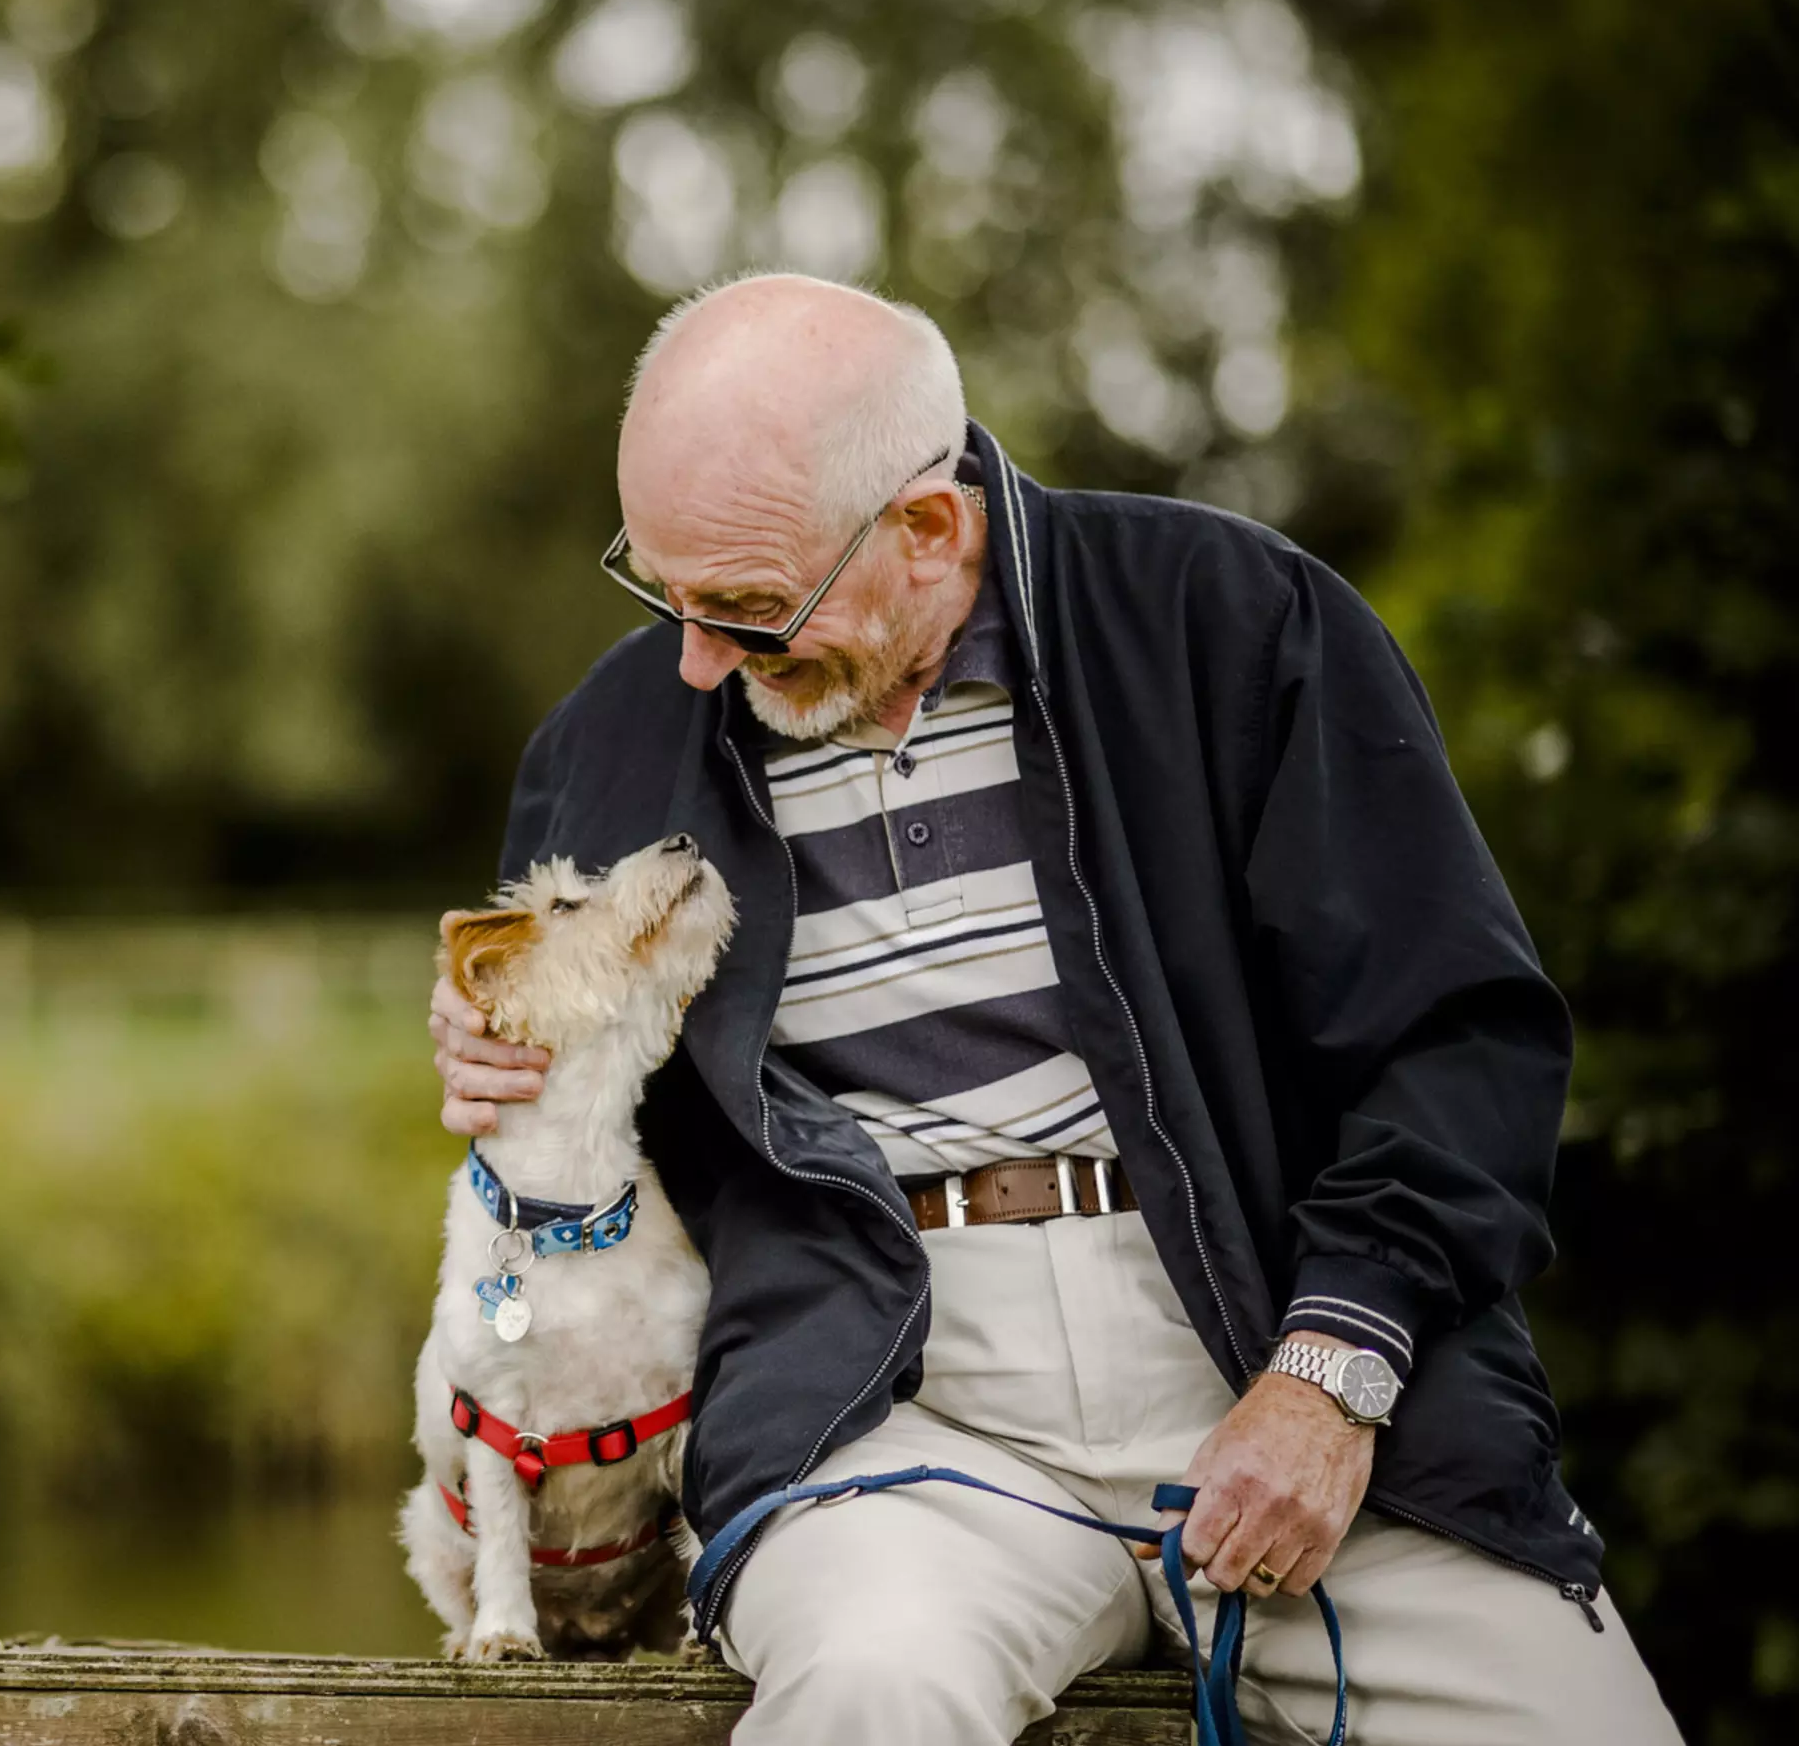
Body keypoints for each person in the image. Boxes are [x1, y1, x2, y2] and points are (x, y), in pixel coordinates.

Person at [429, 272, 1681, 1743]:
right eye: (664, 588)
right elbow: (562, 1083)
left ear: (929, 527)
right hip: (886, 1398)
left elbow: (1457, 1038)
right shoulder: (617, 732)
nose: (696, 659)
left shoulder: (1232, 621)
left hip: (1274, 1340)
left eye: (750, 610)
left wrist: (1336, 1374)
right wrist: (494, 1054)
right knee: (867, 1690)